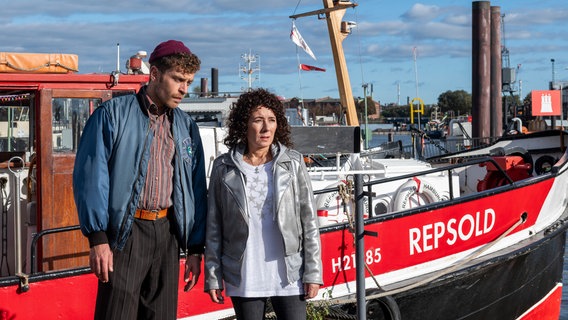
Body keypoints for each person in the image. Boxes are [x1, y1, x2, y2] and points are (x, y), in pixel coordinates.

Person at [73, 40, 207, 320]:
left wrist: (195, 247)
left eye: (189, 82)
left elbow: (195, 188)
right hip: (125, 234)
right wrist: (98, 238)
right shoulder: (112, 115)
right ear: (155, 74)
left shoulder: (186, 126)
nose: (184, 89)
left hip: (168, 235)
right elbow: (91, 177)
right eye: (178, 80)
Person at [204, 88, 323, 320]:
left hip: (289, 272)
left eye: (272, 120)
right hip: (245, 273)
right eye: (258, 120)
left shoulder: (294, 163)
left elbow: (309, 222)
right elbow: (214, 226)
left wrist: (313, 273)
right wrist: (213, 275)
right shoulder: (223, 167)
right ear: (244, 124)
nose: (266, 128)